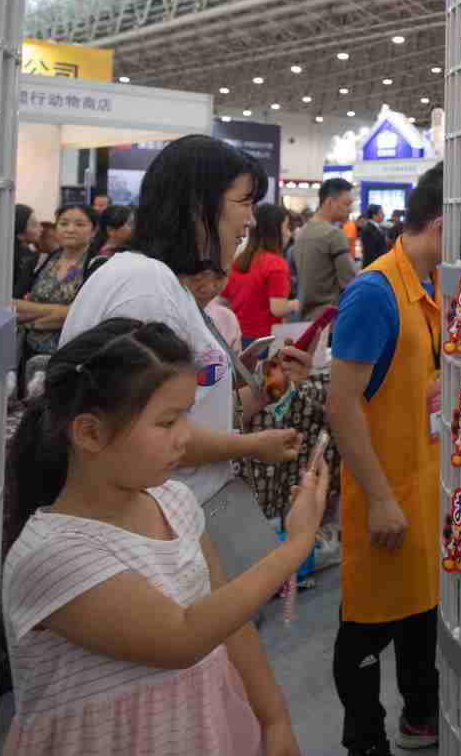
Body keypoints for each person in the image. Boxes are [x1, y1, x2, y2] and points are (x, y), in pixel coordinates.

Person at [1, 318, 329, 756]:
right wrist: (296, 545)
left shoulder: (174, 501)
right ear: (90, 432)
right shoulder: (53, 554)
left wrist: (274, 718)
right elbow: (185, 636)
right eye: (168, 421)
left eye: (186, 415)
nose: (184, 438)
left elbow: (228, 620)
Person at [59, 134, 311, 586]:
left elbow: (196, 415)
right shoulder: (146, 288)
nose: (250, 219)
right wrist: (254, 446)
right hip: (157, 532)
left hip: (182, 514)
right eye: (244, 202)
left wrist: (266, 387)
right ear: (199, 206)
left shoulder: (161, 283)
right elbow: (140, 433)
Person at [325, 164, 444, 755]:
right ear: (443, 225)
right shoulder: (375, 292)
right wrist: (378, 498)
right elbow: (341, 405)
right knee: (367, 626)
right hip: (385, 491)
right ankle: (365, 737)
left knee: (421, 613)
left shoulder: (432, 286)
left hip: (424, 485)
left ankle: (420, 716)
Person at [14, 205, 98, 356]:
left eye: (80, 224)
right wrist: (61, 311)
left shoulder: (98, 265)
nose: (70, 229)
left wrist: (30, 319)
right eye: (64, 223)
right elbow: (14, 305)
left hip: (73, 355)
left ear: (94, 231)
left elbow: (82, 313)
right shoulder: (39, 261)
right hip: (29, 352)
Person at [224, 203, 299, 347]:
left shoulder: (240, 260)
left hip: (237, 336)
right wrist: (295, 304)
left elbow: (225, 299)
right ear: (274, 230)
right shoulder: (276, 264)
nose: (289, 233)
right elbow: (277, 308)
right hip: (264, 340)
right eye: (286, 227)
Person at [295, 178, 357, 321]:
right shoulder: (333, 234)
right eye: (346, 204)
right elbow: (350, 281)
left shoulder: (301, 232)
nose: (350, 209)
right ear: (329, 202)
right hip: (331, 319)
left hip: (305, 319)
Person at [13, 204, 41, 301]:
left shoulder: (29, 252)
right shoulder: (24, 260)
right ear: (20, 234)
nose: (41, 228)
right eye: (34, 225)